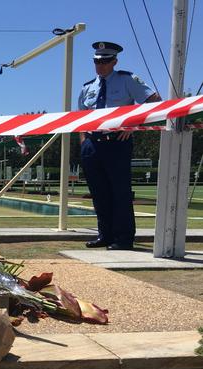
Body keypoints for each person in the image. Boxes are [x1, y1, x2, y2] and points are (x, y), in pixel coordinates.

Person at [78, 41, 161, 250]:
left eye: (105, 61)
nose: (100, 65)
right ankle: (105, 235)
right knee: (99, 193)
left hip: (117, 144)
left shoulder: (127, 80)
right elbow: (80, 118)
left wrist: (133, 125)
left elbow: (155, 100)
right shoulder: (88, 87)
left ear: (114, 61)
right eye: (97, 61)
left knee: (120, 192)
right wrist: (84, 142)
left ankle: (124, 239)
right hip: (92, 144)